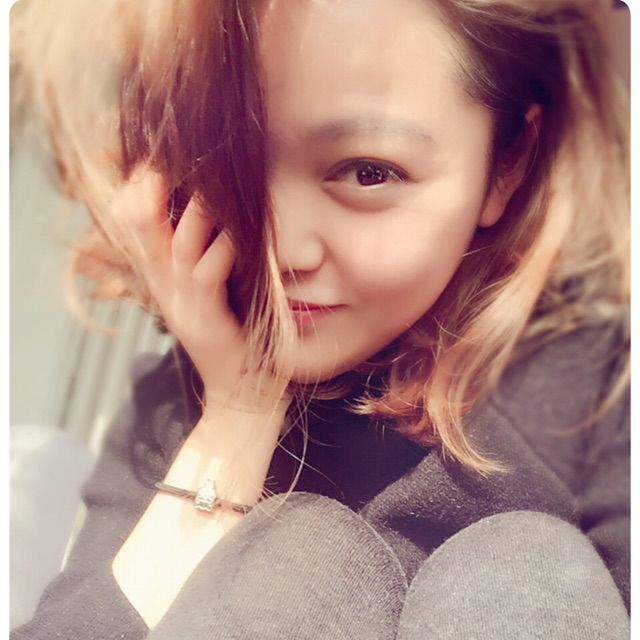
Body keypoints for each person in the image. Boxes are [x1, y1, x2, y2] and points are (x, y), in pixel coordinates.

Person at [11, 0, 629, 638]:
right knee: (300, 557)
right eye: (227, 165)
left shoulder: (601, 395)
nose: (281, 251)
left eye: (368, 173)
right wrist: (237, 417)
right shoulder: (179, 403)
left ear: (506, 165)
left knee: (521, 566)